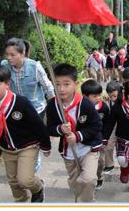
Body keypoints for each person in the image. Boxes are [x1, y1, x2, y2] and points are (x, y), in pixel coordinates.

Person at [0, 65, 51, 203]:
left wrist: (45, 144)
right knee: (14, 182)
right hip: (6, 149)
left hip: (28, 146)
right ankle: (21, 202)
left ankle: (38, 188)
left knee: (25, 180)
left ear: (7, 84)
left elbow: (37, 125)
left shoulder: (21, 102)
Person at [45, 63, 103, 203]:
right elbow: (50, 128)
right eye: (57, 84)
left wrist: (78, 135)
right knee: (75, 184)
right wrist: (60, 129)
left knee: (88, 179)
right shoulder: (53, 105)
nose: (61, 89)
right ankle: (79, 201)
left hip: (88, 148)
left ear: (75, 84)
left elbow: (96, 125)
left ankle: (88, 203)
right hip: (69, 152)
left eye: (66, 84)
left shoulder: (85, 104)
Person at [1, 38, 55, 173]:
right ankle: (23, 163)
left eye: (12, 55)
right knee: (21, 136)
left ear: (23, 53)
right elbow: (0, 83)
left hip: (36, 109)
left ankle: (33, 169)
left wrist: (55, 108)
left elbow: (48, 88)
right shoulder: (4, 66)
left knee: (33, 138)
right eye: (7, 54)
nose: (9, 58)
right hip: (15, 110)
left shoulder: (34, 67)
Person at [80, 79, 110, 191]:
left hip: (99, 140)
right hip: (84, 140)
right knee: (84, 162)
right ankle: (86, 179)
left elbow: (107, 124)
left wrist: (105, 138)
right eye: (95, 96)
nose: (98, 98)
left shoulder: (104, 108)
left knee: (100, 161)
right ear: (85, 96)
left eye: (99, 95)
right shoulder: (80, 107)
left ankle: (99, 177)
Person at [104, 81, 123, 174]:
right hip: (113, 125)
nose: (113, 98)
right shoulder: (108, 102)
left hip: (124, 125)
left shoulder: (126, 100)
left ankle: (127, 163)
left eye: (114, 96)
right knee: (107, 145)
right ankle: (109, 165)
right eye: (110, 96)